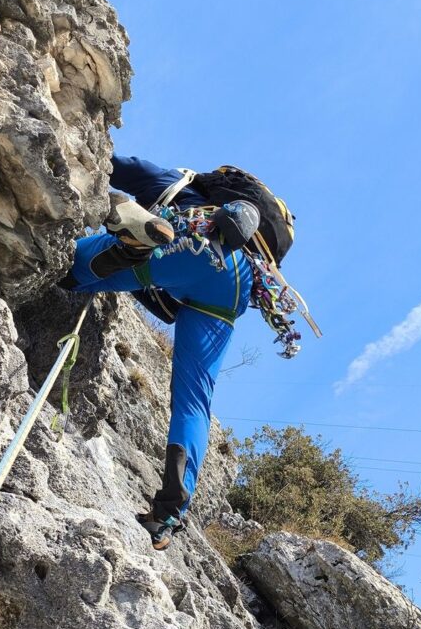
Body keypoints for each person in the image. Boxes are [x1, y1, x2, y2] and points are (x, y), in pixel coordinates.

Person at [61, 155, 296, 550]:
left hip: (191, 238)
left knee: (68, 269)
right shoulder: (254, 251)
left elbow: (102, 159)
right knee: (194, 401)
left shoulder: (180, 183)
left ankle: (131, 246)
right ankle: (170, 512)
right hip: (237, 287)